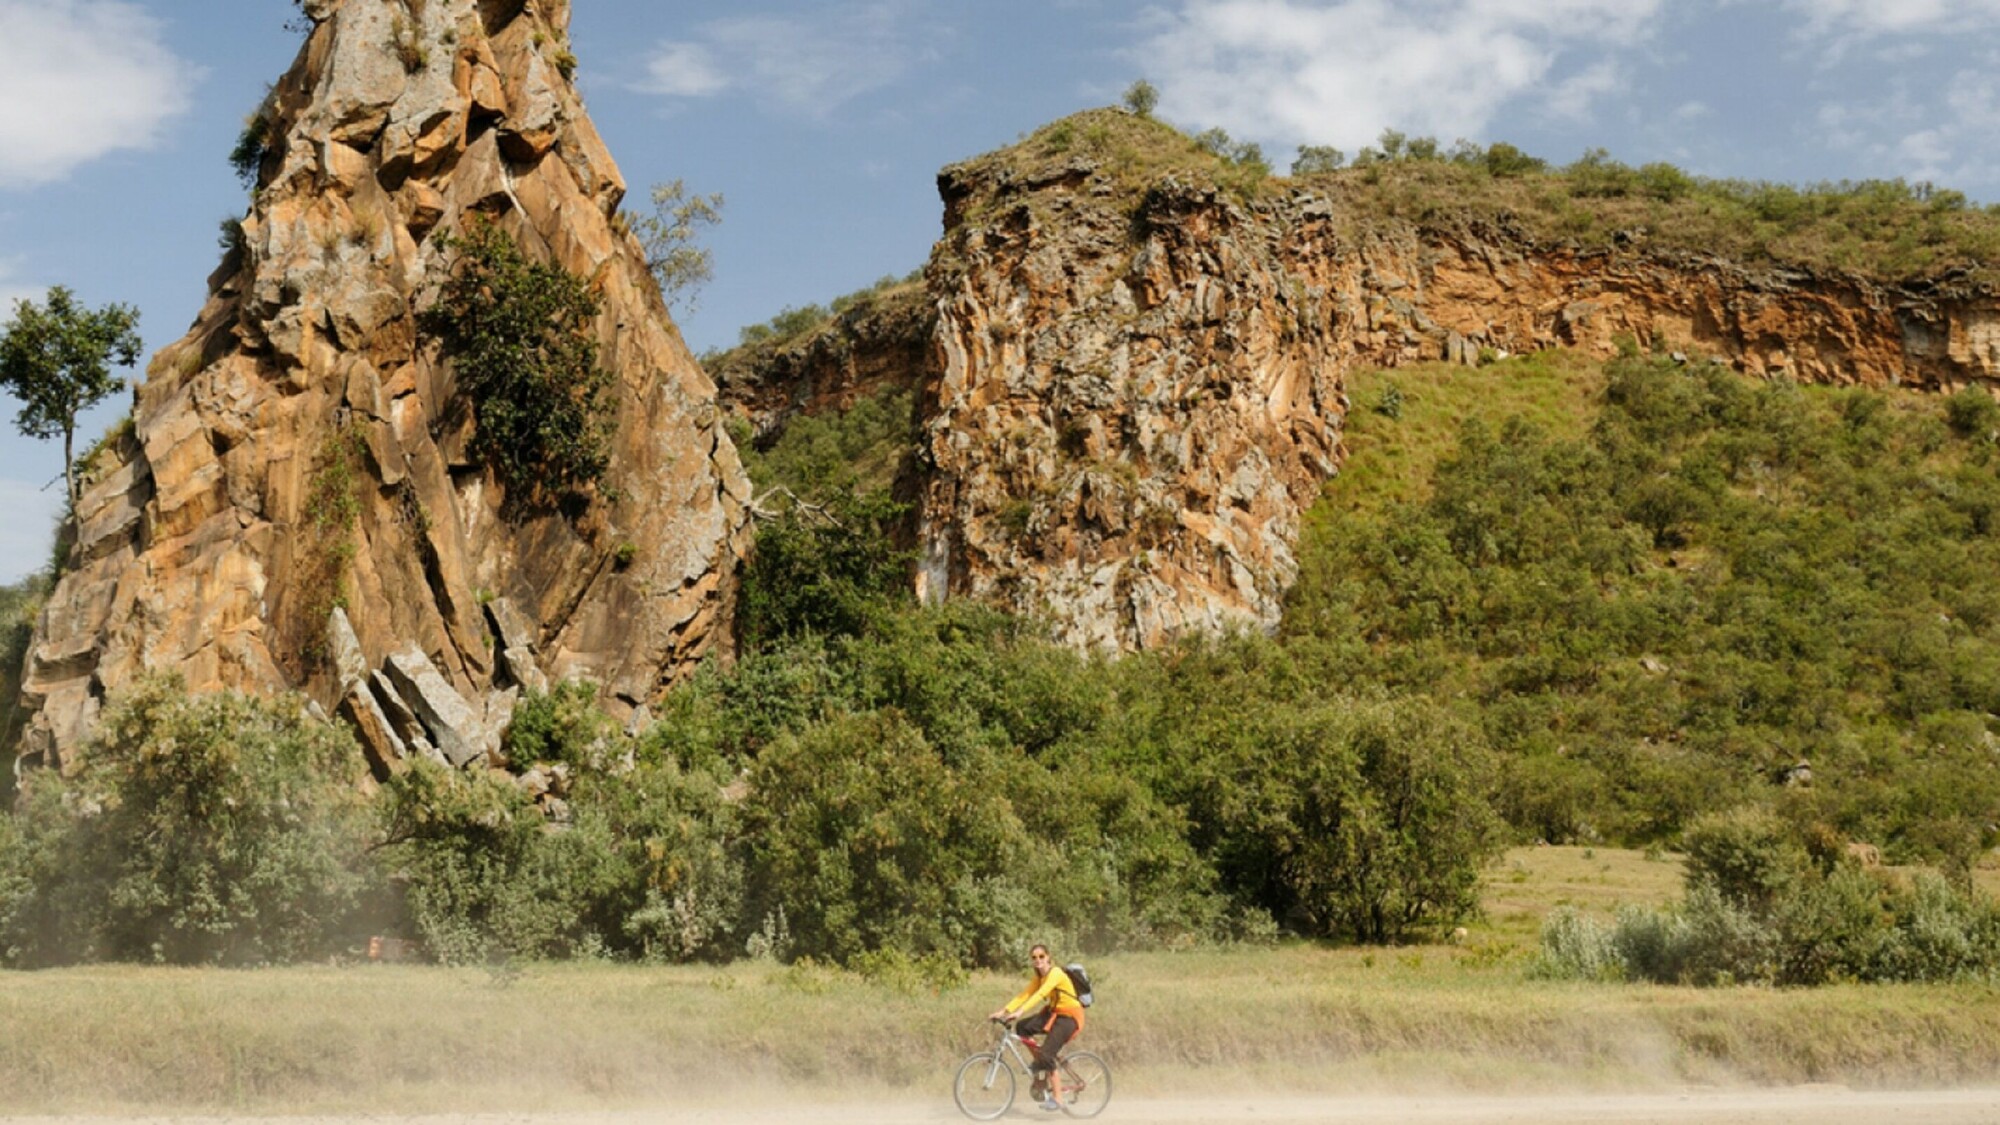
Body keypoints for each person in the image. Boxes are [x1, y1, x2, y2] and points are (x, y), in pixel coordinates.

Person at [988, 943, 1085, 1112]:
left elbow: (1040, 994)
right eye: (1034, 957)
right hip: (1053, 1012)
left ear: (1048, 957)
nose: (1038, 960)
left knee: (1048, 1054)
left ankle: (1058, 1098)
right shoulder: (1038, 977)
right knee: (1023, 1027)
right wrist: (1004, 1011)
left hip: (1069, 1016)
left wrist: (1020, 1011)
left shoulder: (1055, 973)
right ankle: (1040, 1062)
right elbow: (1025, 994)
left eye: (1041, 956)